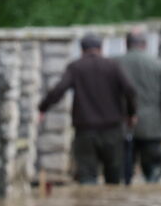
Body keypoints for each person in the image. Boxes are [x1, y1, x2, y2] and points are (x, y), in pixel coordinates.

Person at [38, 34, 137, 185]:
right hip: (112, 130)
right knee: (114, 176)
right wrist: (131, 114)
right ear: (101, 48)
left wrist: (42, 108)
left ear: (82, 50)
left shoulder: (76, 67)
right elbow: (130, 90)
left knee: (87, 176)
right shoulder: (113, 66)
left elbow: (59, 89)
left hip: (85, 130)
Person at [115, 30, 161, 183]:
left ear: (126, 44)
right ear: (145, 44)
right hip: (153, 127)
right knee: (153, 173)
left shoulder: (115, 63)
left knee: (124, 175)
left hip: (122, 125)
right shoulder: (159, 65)